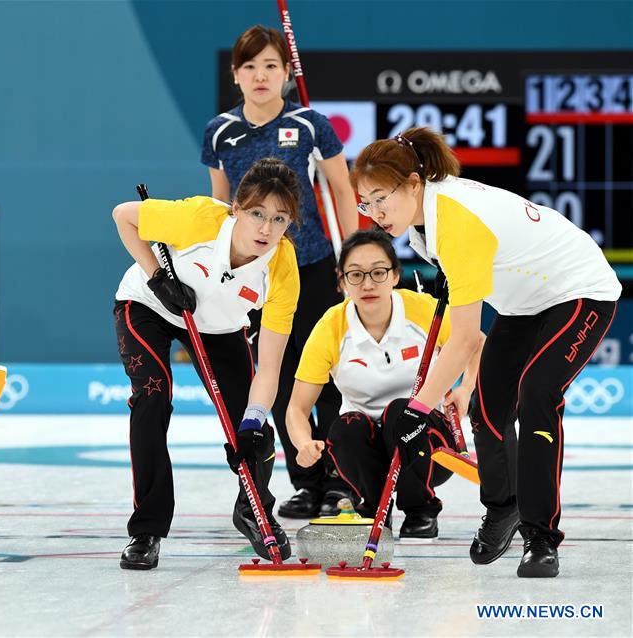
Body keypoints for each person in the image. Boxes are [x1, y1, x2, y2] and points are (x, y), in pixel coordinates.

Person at [351, 127, 620, 576]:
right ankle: (504, 507)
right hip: (524, 302)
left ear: (414, 184)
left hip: (579, 291)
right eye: (366, 202)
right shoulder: (425, 219)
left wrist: (418, 409)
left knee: (537, 394)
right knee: (488, 409)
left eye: (382, 197)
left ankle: (541, 536)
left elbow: (465, 340)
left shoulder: (454, 220)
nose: (376, 212)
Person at [112, 158, 301, 569]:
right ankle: (146, 530)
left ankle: (253, 507)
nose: (266, 229)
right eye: (257, 214)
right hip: (148, 306)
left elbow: (268, 369)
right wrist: (157, 279)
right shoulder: (201, 219)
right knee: (152, 398)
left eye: (279, 219)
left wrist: (251, 422)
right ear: (237, 209)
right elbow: (123, 216)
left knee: (255, 431)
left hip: (218, 329)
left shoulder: (283, 267)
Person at [202, 25, 358, 519]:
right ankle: (305, 482)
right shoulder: (219, 131)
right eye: (249, 67)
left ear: (287, 73)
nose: (260, 75)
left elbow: (341, 190)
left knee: (326, 373)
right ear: (235, 76)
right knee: (281, 378)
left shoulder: (312, 125)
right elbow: (219, 205)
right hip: (253, 276)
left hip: (312, 266)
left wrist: (349, 257)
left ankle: (341, 479)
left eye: (271, 65)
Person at [286, 229, 484, 539]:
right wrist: (303, 443)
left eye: (378, 272)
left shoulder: (421, 310)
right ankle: (375, 507)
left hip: (428, 443)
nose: (367, 284)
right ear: (341, 281)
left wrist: (466, 388)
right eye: (356, 274)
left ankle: (421, 509)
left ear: (394, 275)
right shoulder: (330, 328)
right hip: (368, 447)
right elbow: (297, 408)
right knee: (343, 428)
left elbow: (476, 342)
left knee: (400, 412)